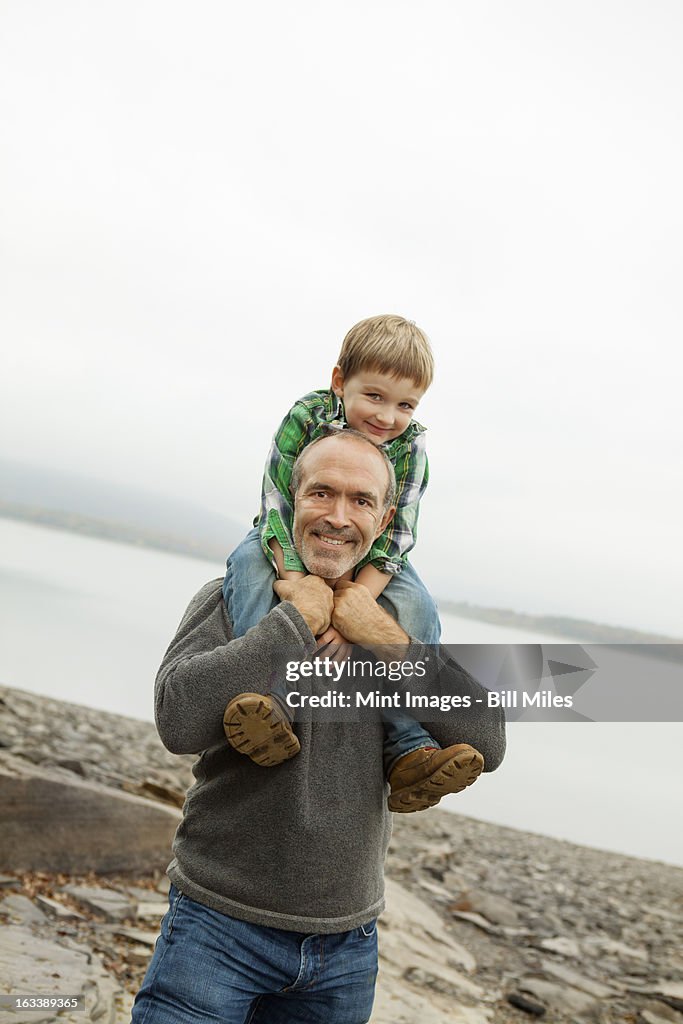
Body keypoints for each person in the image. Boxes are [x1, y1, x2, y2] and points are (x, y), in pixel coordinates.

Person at [131, 431, 506, 1023]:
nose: (337, 516)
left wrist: (379, 635)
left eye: (360, 500)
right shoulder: (235, 599)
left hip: (345, 950)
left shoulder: (399, 622)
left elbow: (488, 738)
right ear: (291, 500)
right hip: (215, 928)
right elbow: (176, 720)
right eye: (321, 493)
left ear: (385, 521)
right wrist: (291, 623)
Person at [222, 314, 483, 811]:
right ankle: (269, 699)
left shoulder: (411, 446)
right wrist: (302, 593)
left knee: (419, 605)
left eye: (405, 404)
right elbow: (277, 501)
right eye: (375, 396)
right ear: (340, 381)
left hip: (376, 563)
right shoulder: (308, 415)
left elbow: (399, 532)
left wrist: (356, 610)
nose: (387, 417)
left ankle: (408, 747)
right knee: (249, 568)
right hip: (283, 544)